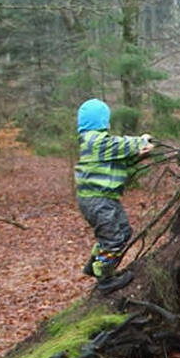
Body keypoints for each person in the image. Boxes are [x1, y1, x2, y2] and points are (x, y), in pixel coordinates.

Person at [74, 98, 154, 294]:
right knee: (113, 239)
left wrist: (139, 155)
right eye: (106, 120)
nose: (109, 124)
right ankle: (105, 279)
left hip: (105, 198)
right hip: (96, 200)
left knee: (124, 231)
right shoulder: (94, 141)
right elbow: (120, 145)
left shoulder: (102, 146)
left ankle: (95, 265)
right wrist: (141, 141)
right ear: (100, 122)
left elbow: (120, 161)